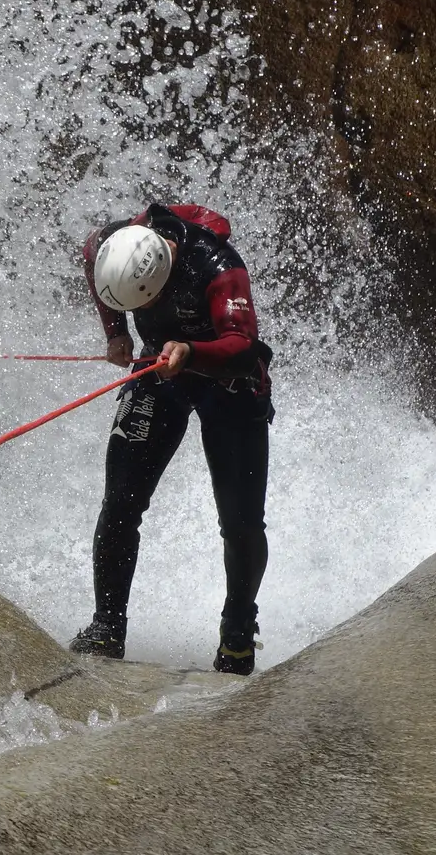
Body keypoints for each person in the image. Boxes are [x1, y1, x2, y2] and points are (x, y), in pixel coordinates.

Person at [70, 203, 274, 675]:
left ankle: (238, 635)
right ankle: (106, 627)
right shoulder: (116, 242)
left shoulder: (220, 268)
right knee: (119, 503)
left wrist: (191, 350)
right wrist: (115, 332)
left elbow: (243, 346)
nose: (138, 311)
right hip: (160, 369)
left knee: (241, 522)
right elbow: (92, 259)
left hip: (230, 379)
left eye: (138, 304)